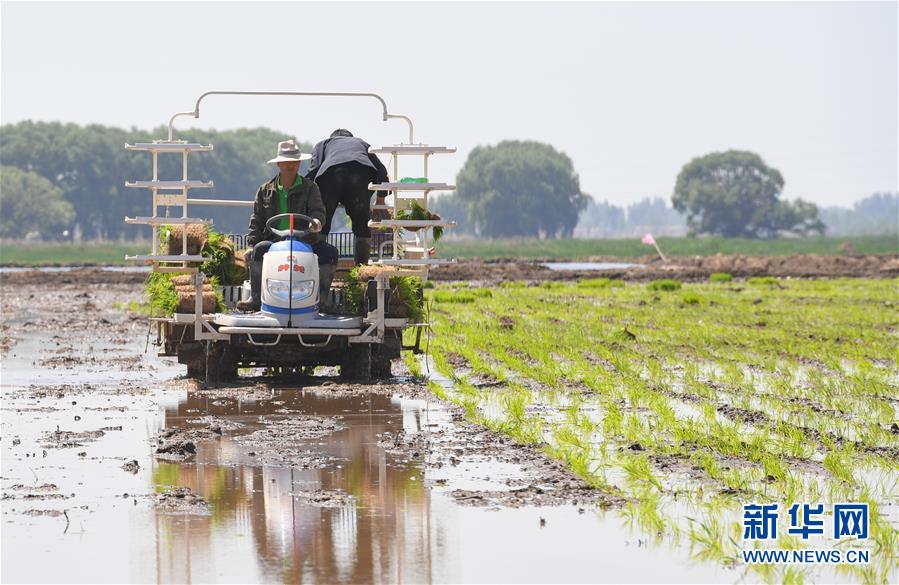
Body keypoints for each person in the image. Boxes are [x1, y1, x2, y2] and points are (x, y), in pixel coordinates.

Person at [237, 139, 339, 312]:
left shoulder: (310, 188)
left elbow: (318, 211)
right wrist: (252, 244)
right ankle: (255, 299)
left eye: (293, 161)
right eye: (286, 161)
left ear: (299, 163)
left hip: (306, 241)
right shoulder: (265, 190)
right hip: (274, 241)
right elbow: (257, 220)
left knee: (330, 253)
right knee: (259, 249)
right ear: (279, 163)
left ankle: (322, 300)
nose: (290, 165)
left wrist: (316, 222)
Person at [305, 129, 390, 265]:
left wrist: (306, 196)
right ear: (351, 138)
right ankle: (361, 272)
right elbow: (381, 170)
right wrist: (381, 198)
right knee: (362, 227)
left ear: (332, 138)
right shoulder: (361, 143)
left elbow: (313, 170)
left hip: (330, 175)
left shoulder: (323, 144)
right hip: (360, 173)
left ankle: (316, 267)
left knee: (320, 222)